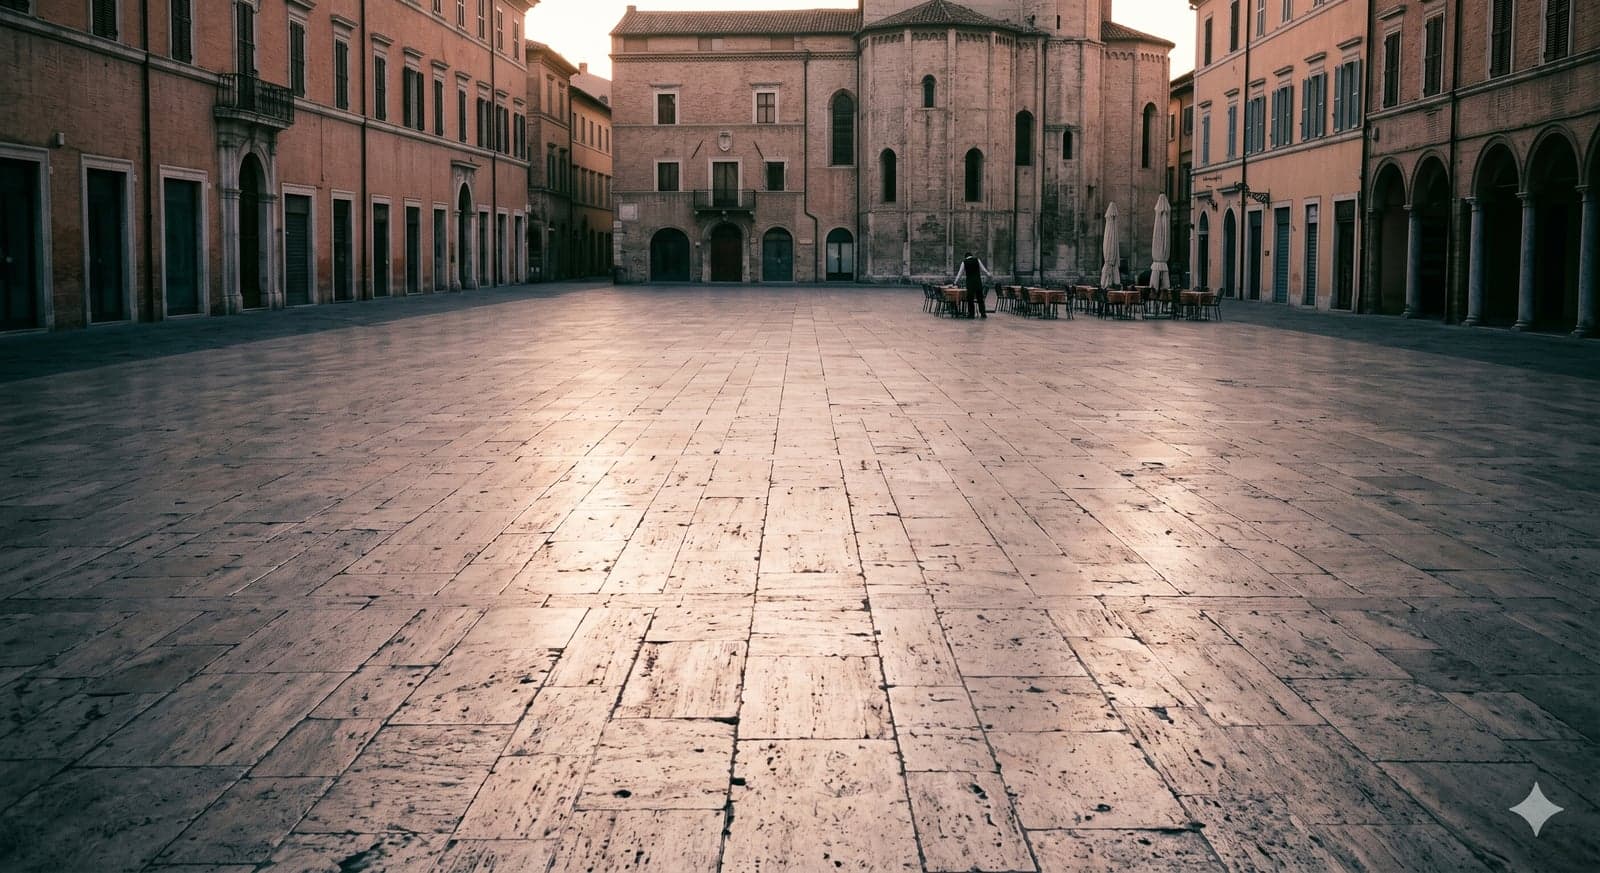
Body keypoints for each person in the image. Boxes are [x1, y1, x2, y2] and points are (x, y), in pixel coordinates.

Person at [953, 252, 992, 318]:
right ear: (971, 255)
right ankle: (983, 313)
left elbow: (960, 273)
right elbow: (983, 269)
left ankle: (971, 314)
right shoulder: (977, 260)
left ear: (965, 257)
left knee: (970, 299)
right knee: (980, 298)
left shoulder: (964, 262)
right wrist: (989, 275)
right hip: (978, 282)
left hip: (970, 283)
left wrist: (955, 282)